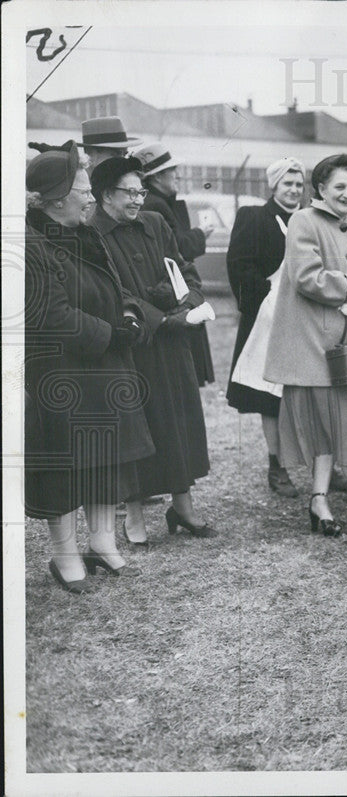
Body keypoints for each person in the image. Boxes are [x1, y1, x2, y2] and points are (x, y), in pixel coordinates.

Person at [25, 143, 154, 591]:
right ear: (57, 197)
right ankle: (64, 557)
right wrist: (111, 333)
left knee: (103, 460)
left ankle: (101, 543)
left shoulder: (88, 234)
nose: (90, 198)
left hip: (103, 369)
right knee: (64, 470)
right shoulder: (32, 244)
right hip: (63, 376)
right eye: (83, 189)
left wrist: (132, 315)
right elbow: (52, 315)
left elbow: (119, 288)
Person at [264, 154, 347, 536]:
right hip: (312, 343)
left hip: (342, 342)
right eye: (340, 186)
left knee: (332, 425)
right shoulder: (303, 221)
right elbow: (308, 277)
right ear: (320, 188)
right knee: (340, 422)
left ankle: (319, 500)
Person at [89, 157, 215, 543]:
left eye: (141, 191)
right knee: (141, 428)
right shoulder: (93, 234)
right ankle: (135, 519)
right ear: (106, 194)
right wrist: (167, 315)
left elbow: (184, 271)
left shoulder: (157, 223)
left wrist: (188, 301)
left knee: (179, 424)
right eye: (130, 192)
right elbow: (116, 295)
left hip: (174, 347)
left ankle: (183, 507)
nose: (138, 199)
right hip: (135, 348)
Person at [225, 156, 305, 498]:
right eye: (288, 183)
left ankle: (323, 466)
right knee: (270, 396)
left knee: (309, 393)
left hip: (306, 320)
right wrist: (266, 295)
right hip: (268, 320)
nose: (294, 190)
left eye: (300, 184)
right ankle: (278, 465)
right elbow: (239, 265)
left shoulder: (309, 220)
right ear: (273, 186)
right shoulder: (255, 217)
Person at [131, 142, 216, 386]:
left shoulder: (159, 203)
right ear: (157, 177)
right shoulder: (157, 206)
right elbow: (178, 247)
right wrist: (201, 233)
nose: (175, 175)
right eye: (171, 171)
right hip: (173, 294)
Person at [76, 116, 141, 172]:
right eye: (115, 155)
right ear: (91, 153)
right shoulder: (74, 182)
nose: (123, 161)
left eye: (124, 154)